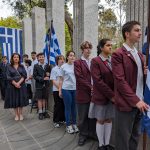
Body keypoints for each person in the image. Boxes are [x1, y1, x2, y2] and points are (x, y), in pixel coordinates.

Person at [111, 21, 149, 150]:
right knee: (123, 140)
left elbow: (137, 79)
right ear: (127, 34)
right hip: (127, 104)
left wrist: (144, 73)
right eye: (137, 30)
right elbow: (120, 81)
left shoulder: (139, 55)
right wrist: (135, 101)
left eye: (140, 30)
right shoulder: (118, 54)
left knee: (134, 137)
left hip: (140, 103)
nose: (140, 33)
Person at [88, 39, 115, 150]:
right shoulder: (95, 61)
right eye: (108, 45)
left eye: (111, 45)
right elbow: (98, 81)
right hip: (101, 97)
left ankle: (107, 144)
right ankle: (101, 145)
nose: (110, 47)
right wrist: (111, 95)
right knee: (100, 120)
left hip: (111, 97)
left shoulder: (112, 60)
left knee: (109, 119)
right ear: (101, 47)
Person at [74, 41, 96, 146]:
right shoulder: (78, 62)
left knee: (92, 115)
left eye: (89, 48)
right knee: (82, 117)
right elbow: (80, 78)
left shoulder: (93, 61)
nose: (88, 50)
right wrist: (91, 87)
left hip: (94, 94)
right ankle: (82, 135)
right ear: (82, 49)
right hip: (83, 94)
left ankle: (91, 133)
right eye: (86, 48)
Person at [59, 51, 79, 134]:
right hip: (66, 89)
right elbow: (61, 79)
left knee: (74, 108)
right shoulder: (63, 67)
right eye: (70, 55)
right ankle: (68, 125)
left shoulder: (77, 66)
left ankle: (74, 123)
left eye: (73, 56)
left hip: (75, 89)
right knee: (68, 108)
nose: (72, 57)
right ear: (67, 57)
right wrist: (60, 90)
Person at [4, 53, 28, 121]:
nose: (16, 58)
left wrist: (18, 83)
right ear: (12, 58)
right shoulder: (9, 66)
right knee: (14, 100)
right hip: (12, 85)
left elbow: (24, 75)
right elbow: (8, 76)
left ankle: (20, 114)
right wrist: (15, 83)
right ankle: (16, 115)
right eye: (14, 57)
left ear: (19, 58)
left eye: (17, 57)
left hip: (21, 85)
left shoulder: (22, 66)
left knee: (21, 99)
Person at [33, 52, 50, 120]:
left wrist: (49, 75)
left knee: (44, 98)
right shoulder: (36, 66)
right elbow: (35, 76)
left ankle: (44, 111)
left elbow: (50, 74)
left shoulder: (47, 65)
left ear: (44, 57)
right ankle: (40, 112)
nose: (41, 58)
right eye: (40, 57)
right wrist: (42, 79)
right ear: (38, 58)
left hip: (46, 85)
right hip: (39, 85)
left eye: (42, 57)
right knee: (40, 99)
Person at [50, 55, 65, 128]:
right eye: (60, 59)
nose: (62, 60)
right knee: (57, 105)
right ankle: (56, 121)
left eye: (63, 59)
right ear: (57, 61)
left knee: (63, 105)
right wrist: (60, 88)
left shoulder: (65, 68)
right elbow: (53, 80)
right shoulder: (54, 69)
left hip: (64, 89)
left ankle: (62, 119)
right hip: (56, 90)